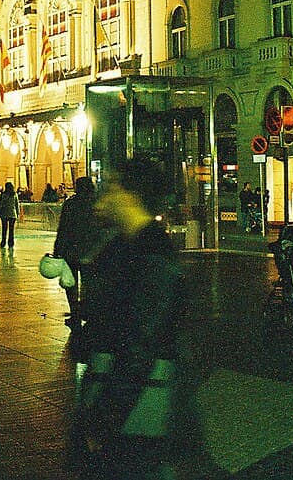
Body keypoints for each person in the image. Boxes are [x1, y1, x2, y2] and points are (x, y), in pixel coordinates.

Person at [73, 159, 188, 479]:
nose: (104, 197)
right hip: (119, 403)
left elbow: (142, 342)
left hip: (137, 414)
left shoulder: (152, 253)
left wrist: (103, 419)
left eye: (111, 187)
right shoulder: (121, 245)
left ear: (131, 195)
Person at [53, 176, 103, 334]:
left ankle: (75, 313)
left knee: (71, 284)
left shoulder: (71, 204)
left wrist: (57, 249)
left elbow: (63, 228)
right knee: (89, 284)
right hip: (91, 251)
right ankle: (88, 312)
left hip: (71, 250)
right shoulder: (97, 204)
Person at [0, 182, 21, 250]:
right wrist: (17, 213)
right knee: (11, 230)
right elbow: (17, 204)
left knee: (4, 229)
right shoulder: (15, 194)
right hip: (12, 214)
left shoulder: (3, 194)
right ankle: (11, 243)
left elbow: (1, 204)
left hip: (4, 214)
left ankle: (3, 242)